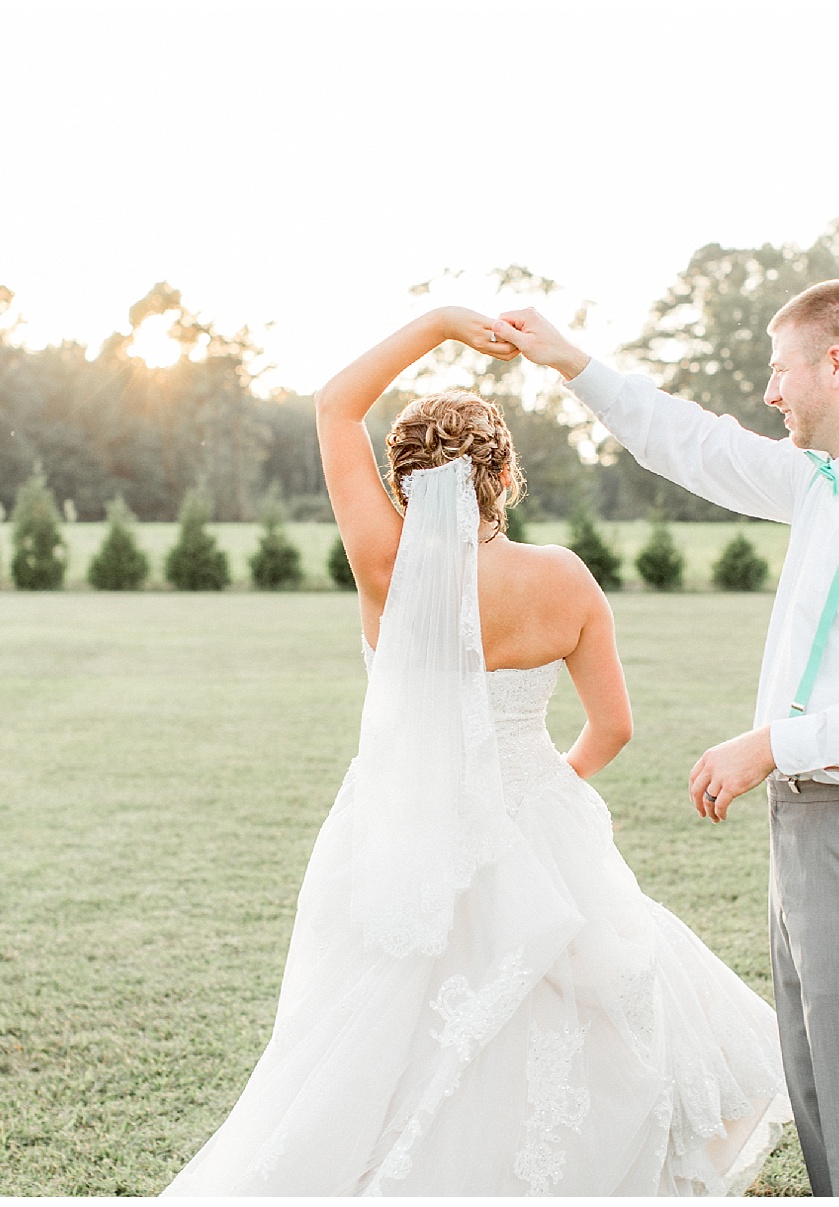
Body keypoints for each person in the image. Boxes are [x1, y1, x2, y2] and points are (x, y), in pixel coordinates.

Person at [164, 306, 789, 1196]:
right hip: (538, 815)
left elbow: (335, 404)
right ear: (503, 474)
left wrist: (445, 324)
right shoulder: (564, 580)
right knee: (571, 1016)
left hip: (403, 822)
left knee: (385, 1027)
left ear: (402, 479)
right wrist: (541, 785)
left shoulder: (381, 563)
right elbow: (614, 728)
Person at [493, 281, 839, 1197]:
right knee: (825, 1105)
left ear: (835, 364)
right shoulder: (830, 478)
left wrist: (769, 746)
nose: (771, 395)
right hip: (817, 829)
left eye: (781, 371)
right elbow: (696, 445)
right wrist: (571, 361)